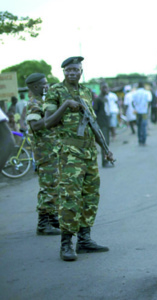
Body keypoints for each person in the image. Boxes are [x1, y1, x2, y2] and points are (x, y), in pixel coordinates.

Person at [43, 56, 113, 262]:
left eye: (76, 70)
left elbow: (92, 123)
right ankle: (66, 244)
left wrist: (105, 149)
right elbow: (47, 122)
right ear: (63, 72)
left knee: (90, 196)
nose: (73, 73)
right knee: (70, 198)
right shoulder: (55, 91)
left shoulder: (86, 92)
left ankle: (84, 240)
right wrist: (65, 105)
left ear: (81, 72)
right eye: (69, 70)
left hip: (89, 152)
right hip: (70, 154)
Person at [24, 73, 61, 235]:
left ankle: (53, 218)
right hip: (44, 152)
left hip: (51, 150)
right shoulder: (33, 103)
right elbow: (36, 125)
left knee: (54, 185)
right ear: (36, 87)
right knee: (48, 186)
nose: (48, 86)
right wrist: (53, 117)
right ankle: (43, 223)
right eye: (45, 84)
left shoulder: (45, 101)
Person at [93, 83, 113, 167]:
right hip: (102, 123)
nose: (106, 89)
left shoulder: (105, 98)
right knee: (104, 143)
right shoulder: (98, 99)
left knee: (107, 142)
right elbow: (94, 111)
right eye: (104, 88)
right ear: (101, 89)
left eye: (107, 88)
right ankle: (104, 162)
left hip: (106, 122)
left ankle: (107, 160)